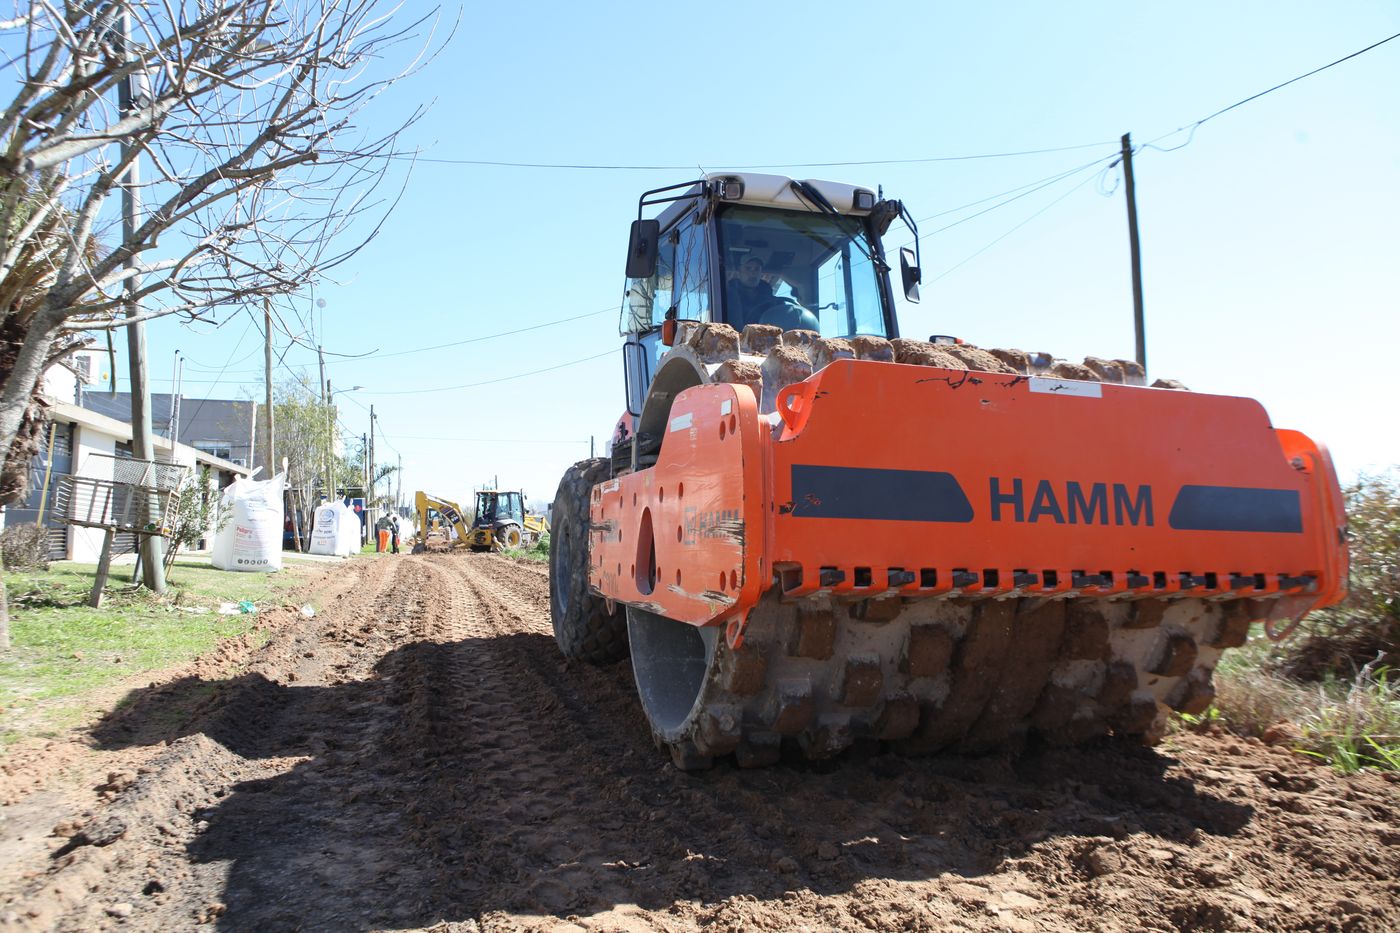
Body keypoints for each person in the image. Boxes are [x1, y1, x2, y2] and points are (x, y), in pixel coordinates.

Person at [726, 255, 775, 324]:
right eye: (748, 268)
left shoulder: (772, 300)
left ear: (761, 273)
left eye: (757, 269)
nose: (753, 273)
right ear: (739, 271)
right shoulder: (727, 296)